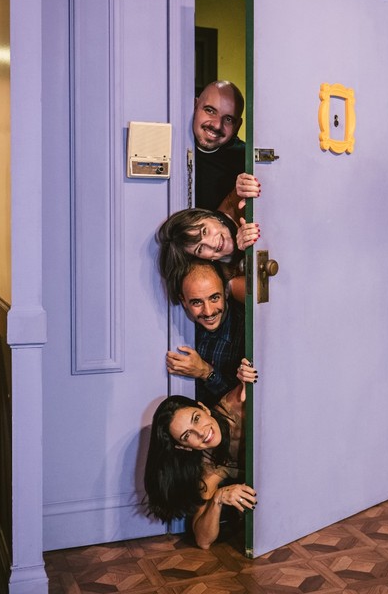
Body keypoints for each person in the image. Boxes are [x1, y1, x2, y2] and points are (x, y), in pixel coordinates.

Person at [144, 368, 257, 549]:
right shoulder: (210, 466)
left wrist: (251, 371)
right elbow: (204, 541)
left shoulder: (238, 402)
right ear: (183, 446)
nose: (201, 433)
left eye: (196, 418)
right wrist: (218, 499)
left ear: (204, 408)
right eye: (187, 435)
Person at [165, 259, 248, 406]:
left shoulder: (244, 331)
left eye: (214, 298)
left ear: (226, 292)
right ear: (183, 301)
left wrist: (206, 372)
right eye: (197, 302)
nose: (208, 312)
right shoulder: (178, 327)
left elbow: (242, 401)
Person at [156, 198, 259, 305]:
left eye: (204, 231)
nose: (212, 244)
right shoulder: (224, 278)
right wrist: (254, 247)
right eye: (200, 249)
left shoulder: (237, 199)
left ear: (211, 216)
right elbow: (263, 294)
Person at [193, 80, 261, 211]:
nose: (217, 125)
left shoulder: (246, 160)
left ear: (237, 126)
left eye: (228, 119)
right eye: (210, 111)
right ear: (195, 106)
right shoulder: (175, 145)